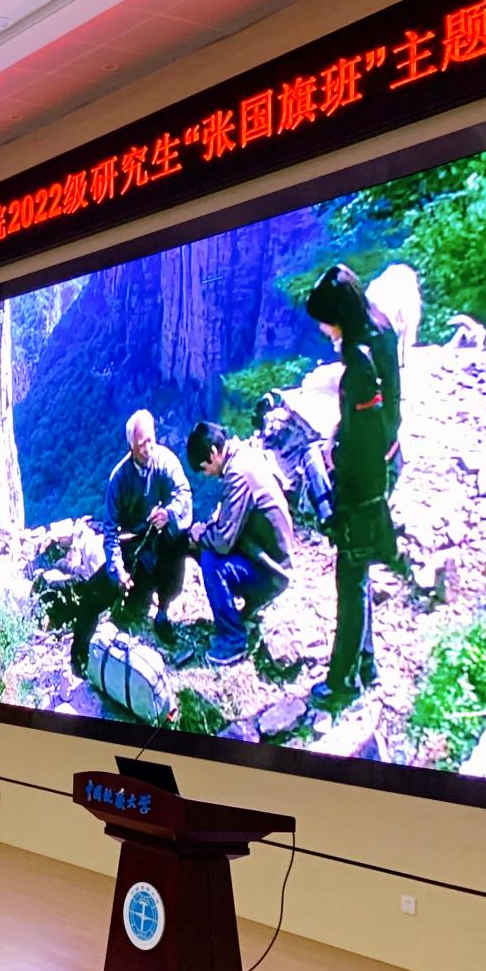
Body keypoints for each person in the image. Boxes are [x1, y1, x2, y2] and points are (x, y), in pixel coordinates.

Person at [304, 265, 405, 707]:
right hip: (385, 462)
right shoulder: (378, 326)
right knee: (357, 572)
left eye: (325, 321)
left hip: (365, 481)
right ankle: (367, 663)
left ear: (339, 316)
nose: (323, 329)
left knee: (350, 576)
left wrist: (335, 460)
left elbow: (363, 441)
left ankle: (343, 682)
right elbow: (377, 421)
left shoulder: (359, 364)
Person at [70, 409, 192, 673]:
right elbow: (111, 531)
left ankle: (162, 612)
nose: (148, 449)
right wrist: (117, 571)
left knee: (180, 541)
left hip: (160, 539)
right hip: (132, 547)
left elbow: (183, 494)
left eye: (150, 440)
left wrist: (169, 513)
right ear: (131, 446)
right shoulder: (119, 479)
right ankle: (79, 657)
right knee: (92, 595)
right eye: (141, 444)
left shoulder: (166, 462)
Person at [186, 421, 295, 667]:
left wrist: (200, 535)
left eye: (205, 467)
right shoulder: (244, 456)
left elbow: (223, 542)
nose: (207, 474)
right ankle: (247, 609)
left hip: (273, 571)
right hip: (271, 555)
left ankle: (233, 641)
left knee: (210, 560)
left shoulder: (237, 475)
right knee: (210, 547)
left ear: (214, 453)